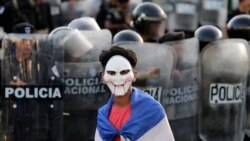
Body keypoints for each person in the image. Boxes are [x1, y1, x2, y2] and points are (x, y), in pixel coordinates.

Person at [95, 46, 174, 141]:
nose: (118, 79)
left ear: (134, 75)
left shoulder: (151, 110)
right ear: (103, 77)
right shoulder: (102, 117)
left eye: (124, 72)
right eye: (112, 73)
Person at [1, 22, 63, 141]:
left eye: (31, 40)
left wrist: (28, 87)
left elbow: (58, 86)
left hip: (39, 125)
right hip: (14, 126)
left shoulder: (46, 61)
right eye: (23, 40)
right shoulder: (5, 64)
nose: (28, 45)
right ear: (15, 41)